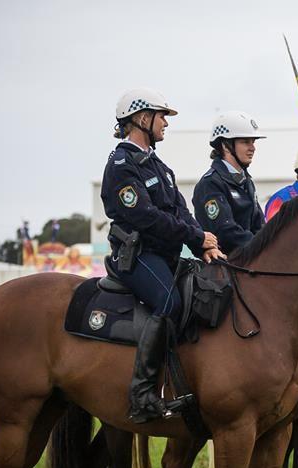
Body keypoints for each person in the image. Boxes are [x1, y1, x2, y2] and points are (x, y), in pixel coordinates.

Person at [101, 88, 224, 423]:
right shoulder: (122, 166)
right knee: (168, 302)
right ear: (142, 118)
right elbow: (145, 216)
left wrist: (204, 244)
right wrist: (195, 235)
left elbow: (179, 211)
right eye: (161, 116)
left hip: (166, 254)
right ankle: (141, 395)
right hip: (138, 255)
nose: (166, 123)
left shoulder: (159, 165)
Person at [193, 111, 266, 252]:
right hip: (224, 265)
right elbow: (226, 232)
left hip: (250, 259)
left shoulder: (247, 181)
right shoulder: (210, 183)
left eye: (253, 142)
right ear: (226, 145)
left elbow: (259, 225)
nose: (252, 148)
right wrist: (261, 246)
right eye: (245, 142)